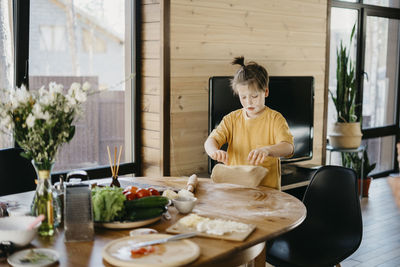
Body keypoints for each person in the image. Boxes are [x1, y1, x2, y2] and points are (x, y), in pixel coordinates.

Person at [204, 56, 294, 190]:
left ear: (266, 91)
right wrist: (214, 151)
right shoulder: (231, 119)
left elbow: (288, 147)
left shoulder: (275, 119)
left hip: (267, 192)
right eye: (243, 97)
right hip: (236, 189)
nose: (249, 102)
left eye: (254, 96)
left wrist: (267, 150)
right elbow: (211, 141)